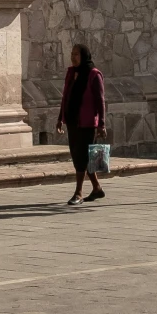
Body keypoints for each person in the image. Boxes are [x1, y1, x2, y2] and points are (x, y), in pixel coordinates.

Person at [55, 42, 107, 203]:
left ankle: (78, 193)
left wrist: (102, 124)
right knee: (81, 157)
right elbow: (66, 97)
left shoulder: (94, 74)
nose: (73, 57)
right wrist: (60, 119)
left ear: (84, 56)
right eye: (72, 54)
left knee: (82, 157)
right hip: (72, 121)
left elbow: (100, 100)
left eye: (76, 54)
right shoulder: (71, 73)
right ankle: (97, 188)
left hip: (88, 123)